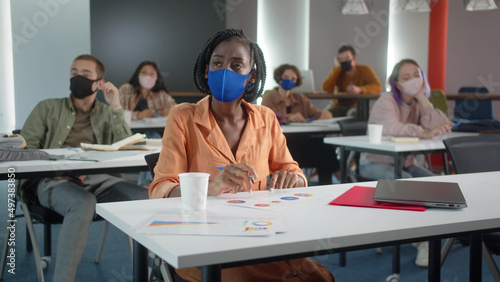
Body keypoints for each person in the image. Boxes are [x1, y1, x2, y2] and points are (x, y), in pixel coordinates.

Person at [149, 29, 334, 282]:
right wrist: (210, 188)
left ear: (251, 77)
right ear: (206, 70)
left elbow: (293, 171)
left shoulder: (266, 118)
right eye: (217, 63)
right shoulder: (183, 117)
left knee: (318, 278)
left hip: (262, 231)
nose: (225, 71)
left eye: (237, 65)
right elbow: (161, 187)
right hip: (204, 241)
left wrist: (294, 179)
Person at [20, 54, 149, 281]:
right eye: (74, 73)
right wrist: (55, 169)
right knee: (83, 202)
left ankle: (156, 273)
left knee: (149, 197)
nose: (77, 78)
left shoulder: (107, 113)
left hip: (97, 180)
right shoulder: (47, 108)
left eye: (85, 74)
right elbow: (25, 149)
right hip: (53, 181)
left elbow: (128, 147)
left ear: (100, 83)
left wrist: (116, 105)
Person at [358, 58, 453, 267]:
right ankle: (421, 241)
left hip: (404, 162)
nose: (413, 80)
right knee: (406, 182)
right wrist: (424, 132)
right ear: (397, 84)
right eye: (406, 78)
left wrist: (422, 99)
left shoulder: (419, 103)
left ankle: (436, 232)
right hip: (374, 162)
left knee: (438, 184)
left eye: (417, 75)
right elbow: (393, 128)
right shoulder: (386, 100)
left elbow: (441, 126)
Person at [261, 64, 339, 185]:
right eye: (286, 77)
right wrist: (287, 117)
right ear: (279, 78)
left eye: (293, 78)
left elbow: (317, 114)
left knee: (325, 148)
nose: (289, 80)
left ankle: (328, 185)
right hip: (281, 146)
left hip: (302, 143)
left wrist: (326, 113)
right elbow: (265, 118)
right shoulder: (268, 98)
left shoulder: (301, 98)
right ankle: (341, 177)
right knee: (322, 152)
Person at [322, 45, 382, 117]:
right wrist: (338, 68)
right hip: (337, 105)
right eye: (341, 59)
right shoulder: (337, 71)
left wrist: (360, 90)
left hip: (356, 105)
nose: (344, 61)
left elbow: (377, 87)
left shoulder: (365, 70)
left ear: (354, 59)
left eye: (347, 58)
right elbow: (326, 89)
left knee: (354, 114)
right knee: (325, 115)